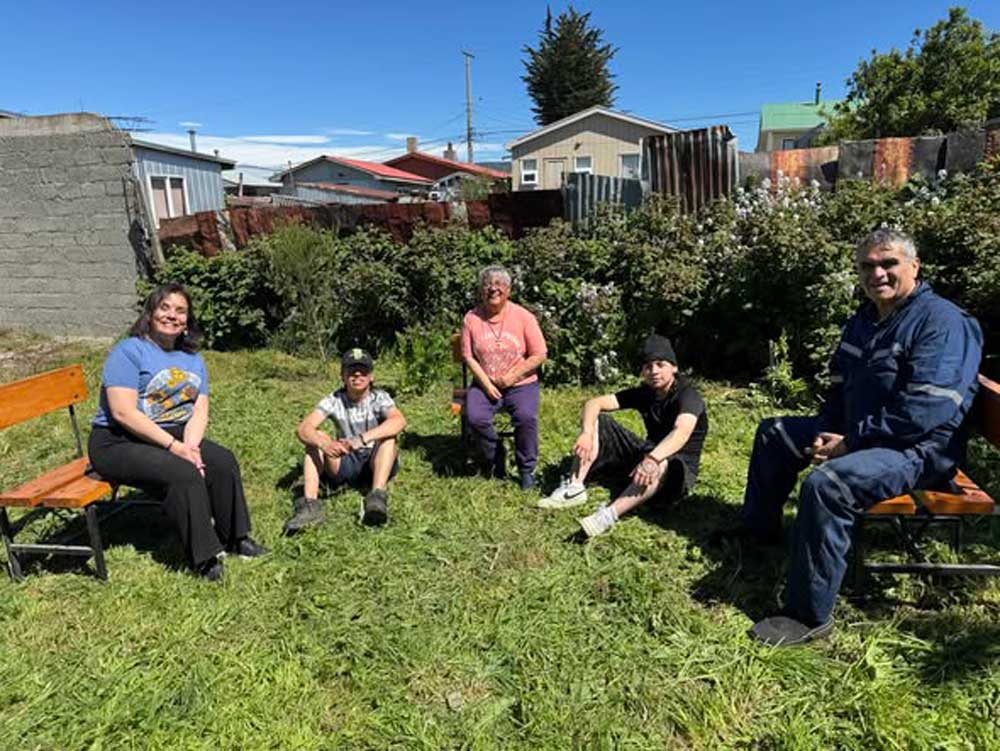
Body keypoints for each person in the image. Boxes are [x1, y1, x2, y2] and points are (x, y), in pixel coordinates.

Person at [714, 228, 983, 647]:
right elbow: (841, 386)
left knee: (828, 485)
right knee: (775, 434)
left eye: (888, 263)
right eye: (868, 265)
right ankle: (759, 531)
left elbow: (926, 411)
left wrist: (850, 443)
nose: (877, 273)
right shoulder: (864, 320)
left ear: (914, 266)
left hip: (919, 451)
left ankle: (808, 617)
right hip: (865, 434)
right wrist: (830, 431)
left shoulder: (942, 322)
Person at [88, 283, 268, 581]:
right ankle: (204, 557)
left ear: (188, 320)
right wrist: (176, 448)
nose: (172, 315)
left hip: (173, 433)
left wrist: (192, 446)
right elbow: (122, 412)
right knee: (181, 473)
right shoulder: (129, 351)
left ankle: (236, 539)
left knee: (222, 462)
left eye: (180, 310)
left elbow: (200, 408)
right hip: (118, 440)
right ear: (150, 313)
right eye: (165, 307)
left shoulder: (192, 359)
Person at [539, 334, 709, 537]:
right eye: (648, 366)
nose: (653, 371)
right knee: (598, 420)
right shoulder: (647, 393)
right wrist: (586, 432)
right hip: (649, 453)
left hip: (677, 471)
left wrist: (653, 459)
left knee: (662, 463)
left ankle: (608, 516)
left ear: (673, 367)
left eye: (660, 364)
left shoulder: (688, 395)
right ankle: (575, 488)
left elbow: (681, 432)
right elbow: (594, 403)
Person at [284, 348, 407, 532]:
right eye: (351, 370)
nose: (357, 375)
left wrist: (361, 439)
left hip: (377, 460)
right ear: (342, 376)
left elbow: (399, 421)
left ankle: (377, 496)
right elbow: (303, 428)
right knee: (315, 437)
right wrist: (324, 444)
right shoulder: (333, 399)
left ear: (371, 376)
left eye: (363, 370)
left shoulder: (380, 397)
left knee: (389, 437)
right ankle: (310, 505)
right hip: (345, 459)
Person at [461, 264, 548, 490]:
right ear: (481, 291)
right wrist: (486, 383)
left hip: (521, 384)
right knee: (475, 417)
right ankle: (495, 454)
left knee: (526, 417)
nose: (493, 289)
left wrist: (511, 377)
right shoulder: (471, 318)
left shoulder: (524, 317)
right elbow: (468, 356)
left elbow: (540, 354)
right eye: (487, 285)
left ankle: (526, 468)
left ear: (509, 290)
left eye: (499, 284)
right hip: (484, 382)